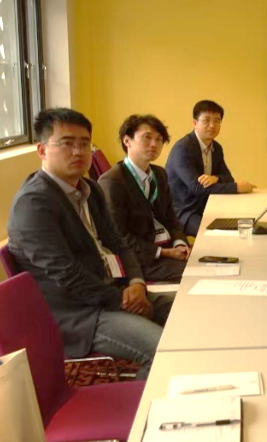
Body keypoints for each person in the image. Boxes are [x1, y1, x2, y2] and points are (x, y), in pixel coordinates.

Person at [7, 109, 175, 379]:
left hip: (110, 291)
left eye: (84, 144)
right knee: (165, 351)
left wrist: (136, 284)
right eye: (66, 143)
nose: (78, 151)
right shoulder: (33, 204)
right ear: (42, 150)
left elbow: (119, 244)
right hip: (77, 314)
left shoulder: (90, 189)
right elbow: (66, 274)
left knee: (189, 313)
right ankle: (143, 405)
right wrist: (122, 301)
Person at [98, 115, 190, 282]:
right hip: (141, 259)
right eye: (147, 137)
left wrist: (180, 243)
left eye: (159, 139)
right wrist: (164, 252)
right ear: (127, 141)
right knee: (198, 272)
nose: (154, 144)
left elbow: (171, 217)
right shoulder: (112, 181)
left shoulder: (159, 174)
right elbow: (119, 236)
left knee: (211, 260)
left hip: (168, 246)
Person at [165, 100, 256, 236]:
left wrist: (215, 178)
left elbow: (228, 178)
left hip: (207, 206)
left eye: (217, 121)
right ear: (194, 123)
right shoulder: (182, 148)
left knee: (242, 223)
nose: (212, 125)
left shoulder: (216, 148)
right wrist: (237, 187)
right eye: (206, 120)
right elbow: (197, 188)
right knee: (215, 235)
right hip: (183, 211)